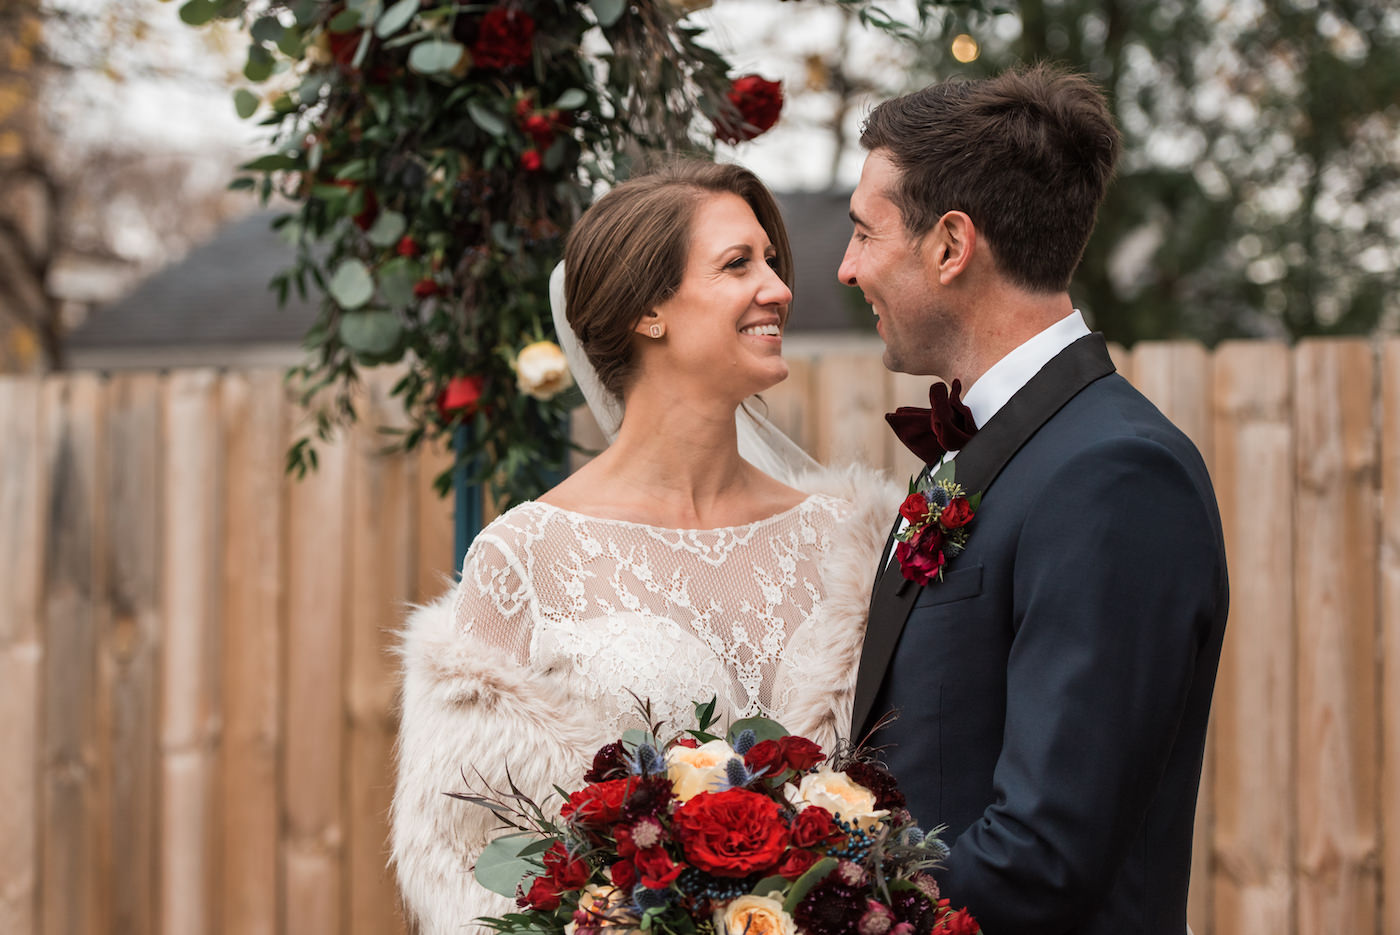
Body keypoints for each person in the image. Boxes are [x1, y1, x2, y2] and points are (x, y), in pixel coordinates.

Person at [391, 160, 899, 935]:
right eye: (738, 264)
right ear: (648, 311)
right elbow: (465, 864)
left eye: (770, 260)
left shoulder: (853, 542)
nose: (779, 286)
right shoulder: (526, 556)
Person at [842, 65, 1228, 934]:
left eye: (865, 233)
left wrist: (818, 906)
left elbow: (1047, 851)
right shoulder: (994, 449)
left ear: (950, 245)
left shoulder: (1116, 474)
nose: (846, 265)